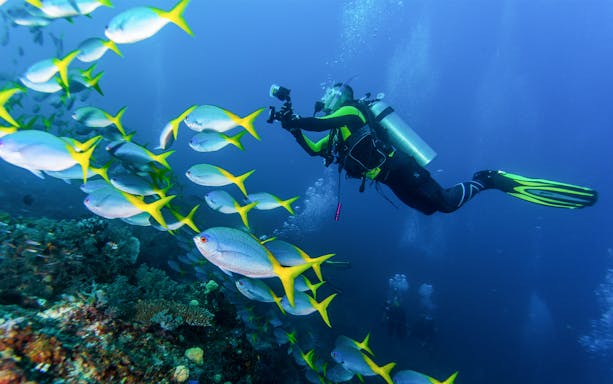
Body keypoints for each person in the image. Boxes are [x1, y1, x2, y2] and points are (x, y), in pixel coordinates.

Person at [276, 83, 598, 215]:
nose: (326, 98)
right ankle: (483, 181)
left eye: (331, 93)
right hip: (387, 179)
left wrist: (296, 120)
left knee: (444, 203)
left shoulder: (350, 113)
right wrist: (292, 130)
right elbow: (313, 149)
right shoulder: (335, 132)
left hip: (399, 167)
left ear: (341, 97)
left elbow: (316, 125)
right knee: (431, 210)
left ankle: (488, 179)